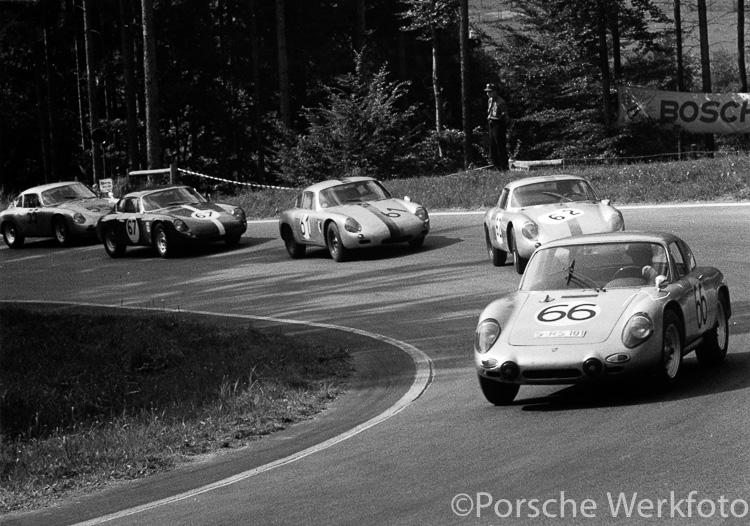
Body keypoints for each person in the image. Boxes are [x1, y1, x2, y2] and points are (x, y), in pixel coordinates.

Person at [485, 83, 510, 171]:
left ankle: (504, 167)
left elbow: (506, 116)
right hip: (491, 122)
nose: (488, 94)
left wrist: (504, 126)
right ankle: (496, 166)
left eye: (490, 92)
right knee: (493, 147)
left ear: (495, 92)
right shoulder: (490, 101)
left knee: (500, 146)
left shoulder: (501, 102)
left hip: (498, 123)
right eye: (487, 92)